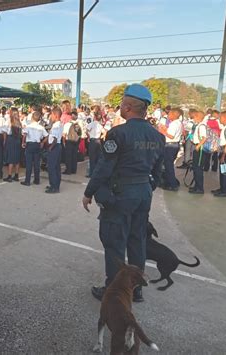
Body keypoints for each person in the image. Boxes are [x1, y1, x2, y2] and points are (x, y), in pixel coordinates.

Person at [82, 84, 165, 303]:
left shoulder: (118, 133)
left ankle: (115, 290)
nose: (120, 107)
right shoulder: (157, 136)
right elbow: (158, 172)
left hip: (120, 196)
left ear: (128, 107)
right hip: (143, 194)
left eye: (122, 104)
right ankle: (136, 289)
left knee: (114, 244)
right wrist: (145, 188)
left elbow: (104, 168)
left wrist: (89, 192)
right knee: (137, 242)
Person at [21, 111, 48, 186]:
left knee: (29, 163)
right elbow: (46, 136)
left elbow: (25, 135)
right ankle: (37, 180)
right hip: (37, 144)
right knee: (36, 163)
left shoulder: (29, 126)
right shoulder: (41, 127)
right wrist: (42, 142)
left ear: (32, 117)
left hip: (30, 144)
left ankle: (27, 181)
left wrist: (23, 142)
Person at [159, 108, 183, 191]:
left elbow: (171, 136)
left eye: (169, 114)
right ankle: (170, 182)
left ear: (173, 115)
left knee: (168, 165)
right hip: (175, 145)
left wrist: (163, 131)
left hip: (170, 146)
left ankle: (172, 184)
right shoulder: (178, 123)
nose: (168, 116)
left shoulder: (174, 124)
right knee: (169, 165)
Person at [211, 111, 226, 197]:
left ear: (224, 117)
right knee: (222, 171)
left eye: (220, 117)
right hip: (223, 152)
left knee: (225, 172)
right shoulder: (225, 128)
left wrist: (223, 155)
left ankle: (225, 191)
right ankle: (222, 188)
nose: (219, 119)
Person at [189, 111, 208, 194]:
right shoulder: (199, 125)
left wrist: (198, 146)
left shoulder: (202, 126)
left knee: (198, 169)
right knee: (196, 168)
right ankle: (196, 186)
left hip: (200, 149)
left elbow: (204, 138)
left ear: (197, 116)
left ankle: (199, 188)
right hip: (197, 147)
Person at [46, 107, 63, 193]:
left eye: (51, 115)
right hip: (58, 146)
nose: (50, 117)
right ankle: (55, 185)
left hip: (55, 146)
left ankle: (54, 186)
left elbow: (55, 139)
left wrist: (50, 147)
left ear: (56, 115)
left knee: (52, 167)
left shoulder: (56, 125)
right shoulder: (60, 124)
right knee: (56, 167)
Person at [3, 107, 22, 182]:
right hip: (17, 140)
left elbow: (4, 132)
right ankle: (16, 175)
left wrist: (4, 141)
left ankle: (10, 175)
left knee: (10, 158)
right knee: (17, 158)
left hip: (10, 140)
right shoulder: (19, 122)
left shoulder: (8, 121)